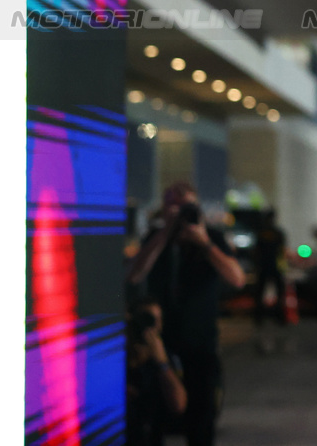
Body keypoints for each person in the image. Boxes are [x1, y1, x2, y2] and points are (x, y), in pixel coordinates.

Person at [127, 182, 245, 446]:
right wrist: (164, 233)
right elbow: (135, 274)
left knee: (200, 423)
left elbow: (237, 279)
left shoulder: (211, 238)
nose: (180, 212)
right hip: (159, 342)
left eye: (186, 206)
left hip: (200, 344)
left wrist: (204, 244)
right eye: (173, 205)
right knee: (153, 419)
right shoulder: (156, 238)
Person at [126, 296, 187, 446]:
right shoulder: (117, 357)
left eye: (157, 320)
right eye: (147, 319)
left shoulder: (165, 358)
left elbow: (178, 405)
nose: (152, 326)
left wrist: (162, 363)